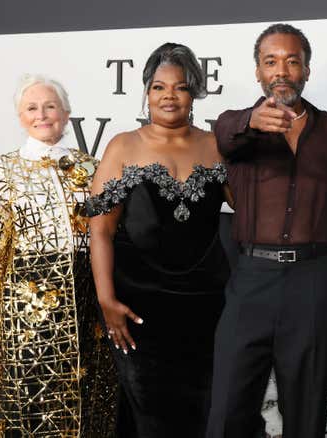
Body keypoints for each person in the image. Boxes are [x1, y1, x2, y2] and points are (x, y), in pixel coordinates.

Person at [206, 23, 327, 438]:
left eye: (293, 61)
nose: (282, 71)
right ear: (257, 71)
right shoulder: (234, 126)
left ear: (306, 70)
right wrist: (253, 122)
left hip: (313, 279)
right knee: (227, 409)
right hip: (251, 279)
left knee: (307, 409)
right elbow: (225, 132)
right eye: (271, 61)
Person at [86, 43, 229, 438]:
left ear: (195, 93)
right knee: (149, 412)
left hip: (205, 305)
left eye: (180, 87)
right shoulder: (123, 145)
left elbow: (251, 206)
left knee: (197, 413)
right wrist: (105, 299)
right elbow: (100, 229)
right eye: (158, 86)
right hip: (137, 306)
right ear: (146, 92)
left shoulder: (216, 145)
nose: (169, 95)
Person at [0, 74, 116, 437]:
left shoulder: (90, 167)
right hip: (26, 308)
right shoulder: (4, 168)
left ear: (66, 114)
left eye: (51, 106)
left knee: (83, 394)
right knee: (29, 400)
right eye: (32, 108)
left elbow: (108, 233)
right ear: (20, 117)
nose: (42, 114)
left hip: (84, 300)